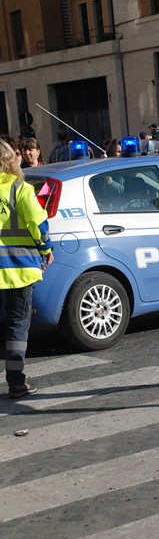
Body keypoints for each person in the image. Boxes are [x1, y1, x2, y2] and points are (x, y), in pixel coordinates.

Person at [0, 138, 54, 399]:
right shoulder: (19, 188)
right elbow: (37, 222)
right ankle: (16, 383)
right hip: (18, 268)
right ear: (11, 160)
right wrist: (46, 250)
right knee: (17, 327)